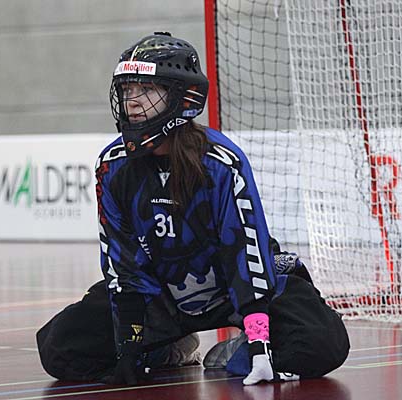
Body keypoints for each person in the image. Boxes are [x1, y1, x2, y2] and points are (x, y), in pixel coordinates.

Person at [36, 32, 349, 386]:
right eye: (126, 90)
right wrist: (129, 351)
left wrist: (259, 345)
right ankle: (168, 348)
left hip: (233, 289)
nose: (132, 102)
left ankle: (239, 349)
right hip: (162, 295)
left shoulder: (221, 162)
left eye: (146, 90)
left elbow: (244, 254)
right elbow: (124, 266)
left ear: (181, 96)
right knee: (59, 348)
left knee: (323, 342)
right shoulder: (112, 166)